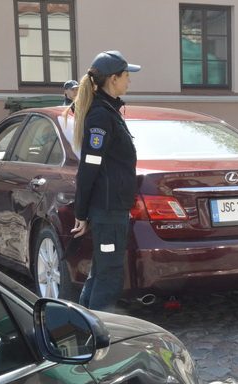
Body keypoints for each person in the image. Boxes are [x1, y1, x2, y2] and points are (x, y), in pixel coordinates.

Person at [63, 51, 141, 312]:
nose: (129, 81)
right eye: (127, 76)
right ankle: (100, 334)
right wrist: (82, 213)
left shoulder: (109, 110)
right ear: (113, 79)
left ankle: (85, 324)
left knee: (102, 270)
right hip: (107, 210)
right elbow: (89, 167)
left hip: (112, 208)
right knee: (109, 274)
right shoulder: (101, 116)